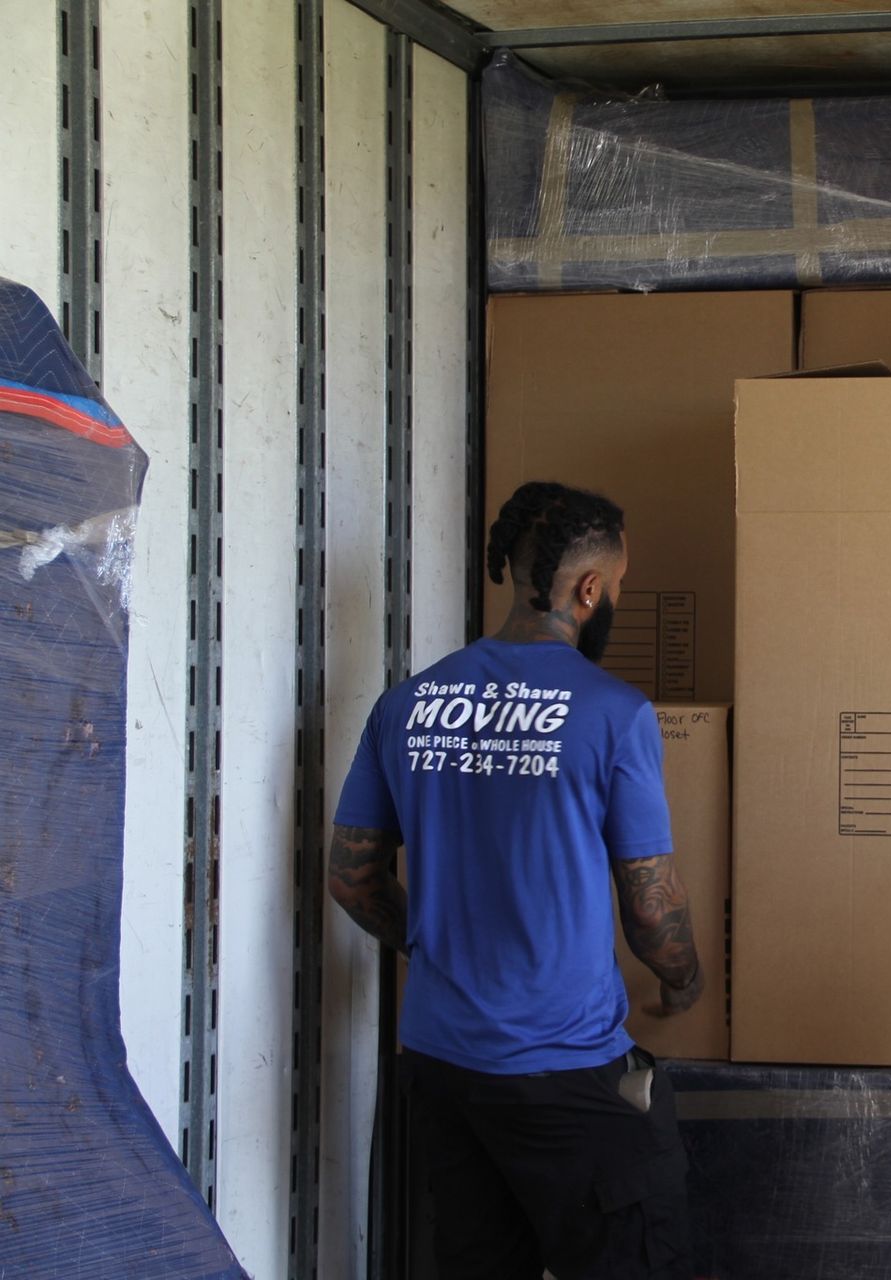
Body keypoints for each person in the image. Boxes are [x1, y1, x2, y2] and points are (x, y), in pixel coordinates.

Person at [328, 481, 702, 1280]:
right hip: (565, 1072)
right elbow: (650, 906)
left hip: (441, 1065)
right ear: (589, 589)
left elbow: (353, 880)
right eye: (620, 587)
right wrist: (683, 984)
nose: (616, 602)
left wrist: (431, 947)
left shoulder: (409, 705)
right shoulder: (613, 712)